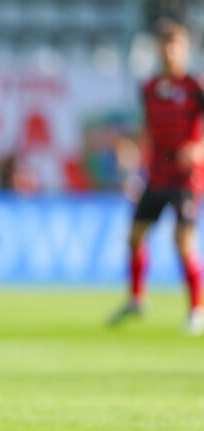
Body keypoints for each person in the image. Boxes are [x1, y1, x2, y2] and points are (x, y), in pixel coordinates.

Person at [108, 19, 204, 335]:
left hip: (186, 179)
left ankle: (196, 310)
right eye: (164, 45)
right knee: (135, 235)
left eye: (175, 45)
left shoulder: (196, 87)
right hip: (157, 176)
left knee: (182, 240)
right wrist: (129, 149)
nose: (169, 51)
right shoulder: (148, 89)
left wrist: (197, 150)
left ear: (185, 49)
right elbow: (145, 130)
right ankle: (137, 299)